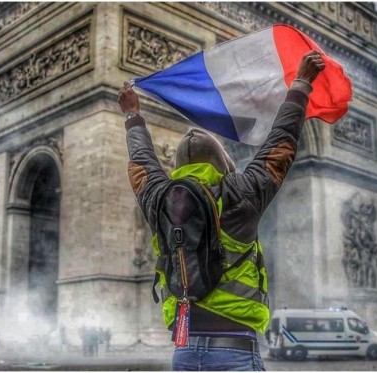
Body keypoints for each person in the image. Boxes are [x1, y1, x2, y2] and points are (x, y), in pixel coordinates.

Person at [119, 50, 326, 371]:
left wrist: (132, 116)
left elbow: (142, 161)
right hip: (236, 350)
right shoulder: (243, 193)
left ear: (177, 166)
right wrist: (300, 85)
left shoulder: (159, 198)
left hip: (185, 351)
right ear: (224, 162)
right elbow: (280, 145)